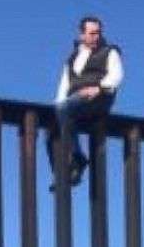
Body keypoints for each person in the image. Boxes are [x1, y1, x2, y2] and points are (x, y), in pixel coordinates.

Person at [46, 16, 124, 190]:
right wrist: (58, 106)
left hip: (99, 100)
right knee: (51, 133)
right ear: (82, 35)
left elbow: (116, 75)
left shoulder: (109, 51)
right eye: (92, 33)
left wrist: (99, 88)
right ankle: (62, 173)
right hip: (75, 103)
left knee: (66, 108)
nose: (96, 36)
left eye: (98, 33)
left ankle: (78, 158)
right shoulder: (72, 57)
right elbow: (64, 86)